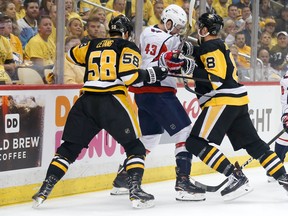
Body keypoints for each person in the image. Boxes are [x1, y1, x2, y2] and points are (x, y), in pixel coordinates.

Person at [31, 15, 168, 209]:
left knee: (69, 149)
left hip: (86, 102)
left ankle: (44, 190)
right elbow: (129, 77)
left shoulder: (91, 44)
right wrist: (153, 74)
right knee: (135, 147)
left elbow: (70, 55)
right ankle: (135, 192)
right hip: (112, 100)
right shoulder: (127, 46)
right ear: (127, 33)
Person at [183, 12, 288, 201]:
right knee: (255, 145)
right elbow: (209, 61)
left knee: (194, 142)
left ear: (204, 29)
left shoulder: (209, 46)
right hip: (237, 100)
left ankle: (234, 176)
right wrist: (191, 52)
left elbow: (215, 77)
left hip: (223, 100)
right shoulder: (218, 45)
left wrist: (190, 68)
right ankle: (283, 176)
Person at [110, 4, 206, 201]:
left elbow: (166, 56)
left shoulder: (147, 32)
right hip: (159, 91)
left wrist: (180, 54)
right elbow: (167, 59)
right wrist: (181, 58)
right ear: (168, 22)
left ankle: (123, 177)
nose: (179, 31)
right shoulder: (169, 39)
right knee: (185, 132)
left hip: (143, 92)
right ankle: (183, 182)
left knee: (150, 137)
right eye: (178, 27)